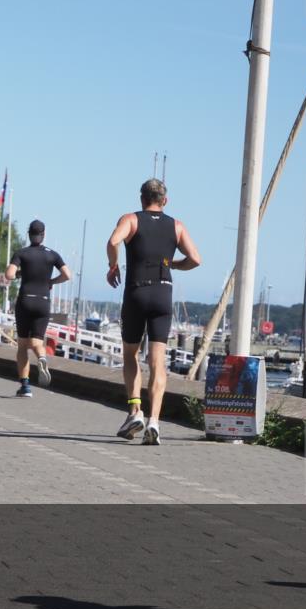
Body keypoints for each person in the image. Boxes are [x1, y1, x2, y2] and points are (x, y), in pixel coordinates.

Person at [106, 178, 201, 445]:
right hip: (163, 293)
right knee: (157, 361)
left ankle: (135, 410)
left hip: (137, 291)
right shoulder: (176, 225)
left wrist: (113, 266)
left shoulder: (131, 219)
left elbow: (113, 241)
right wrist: (174, 265)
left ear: (141, 199)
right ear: (165, 201)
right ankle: (155, 421)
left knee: (130, 354)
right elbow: (196, 258)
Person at [5, 220, 71, 398]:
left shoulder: (22, 253)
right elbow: (67, 275)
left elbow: (9, 274)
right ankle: (42, 357)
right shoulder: (53, 255)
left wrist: (20, 273)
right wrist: (51, 282)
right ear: (44, 234)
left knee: (22, 346)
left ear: (29, 234)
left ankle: (25, 386)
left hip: (25, 300)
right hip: (43, 302)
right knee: (36, 343)